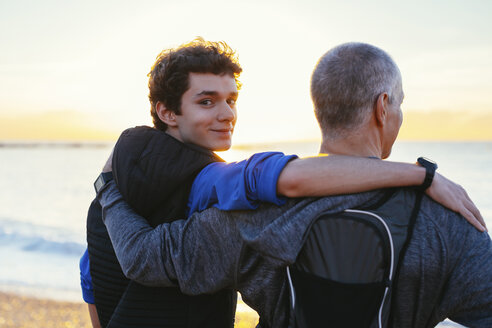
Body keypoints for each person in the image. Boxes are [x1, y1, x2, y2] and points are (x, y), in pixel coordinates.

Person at [96, 42, 492, 328]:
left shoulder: (248, 214)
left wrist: (108, 188)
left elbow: (145, 259)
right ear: (382, 106)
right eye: (400, 103)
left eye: (230, 100)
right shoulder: (450, 222)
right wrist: (422, 177)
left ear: (319, 109)